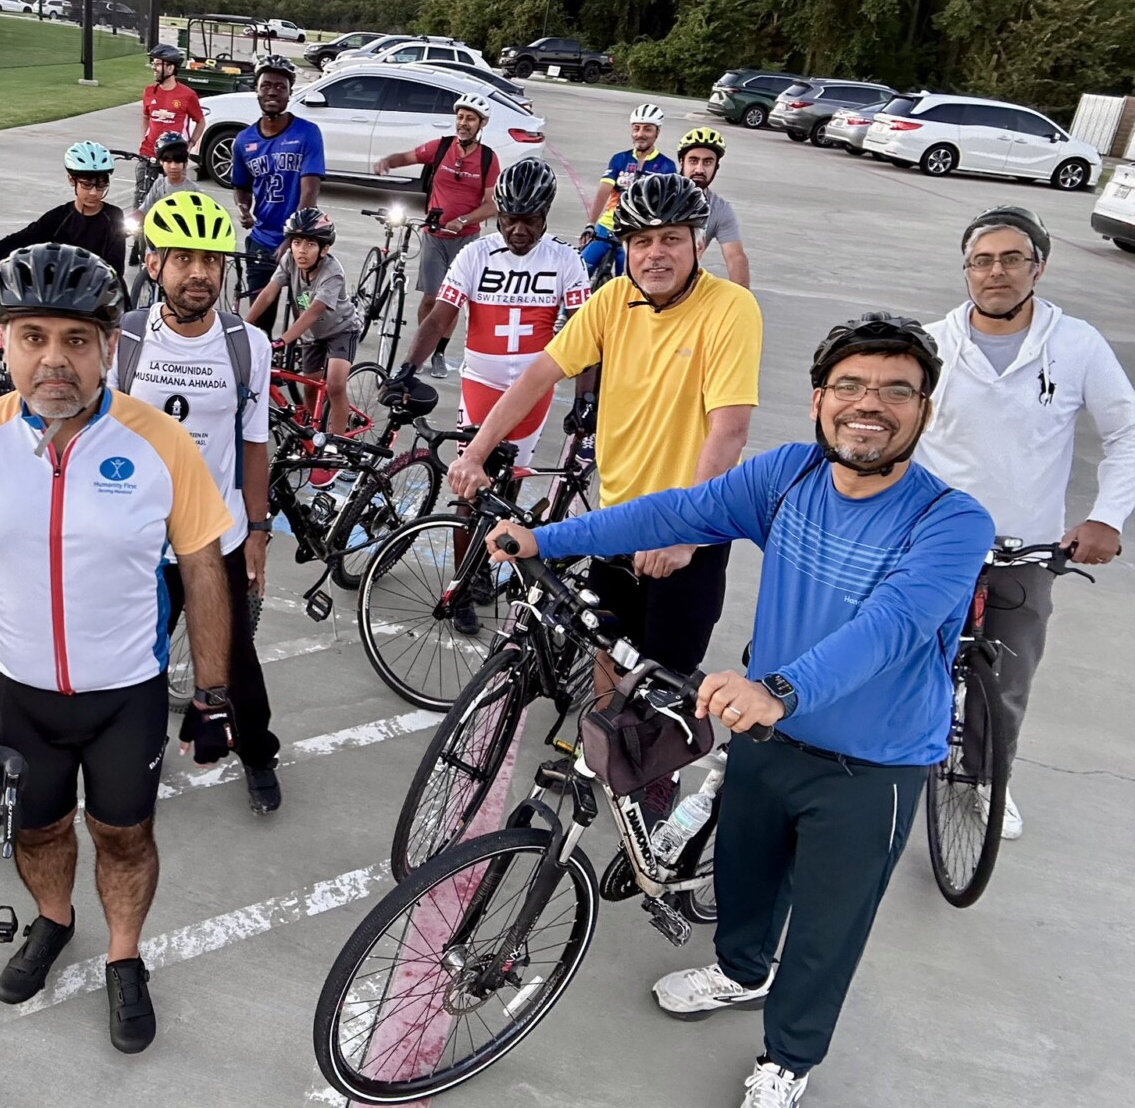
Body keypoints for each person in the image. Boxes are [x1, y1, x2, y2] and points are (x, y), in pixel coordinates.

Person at [491, 314, 993, 1108]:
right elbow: (674, 513)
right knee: (748, 877)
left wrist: (781, 688)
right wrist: (547, 539)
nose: (872, 404)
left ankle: (789, 1059)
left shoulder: (952, 522)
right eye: (851, 386)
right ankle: (738, 972)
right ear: (818, 400)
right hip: (769, 735)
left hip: (875, 764)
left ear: (925, 411)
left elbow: (893, 624)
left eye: (898, 391)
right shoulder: (789, 477)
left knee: (828, 930)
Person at [0, 243, 235, 1053]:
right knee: (37, 834)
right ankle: (52, 920)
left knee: (125, 836)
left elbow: (204, 569)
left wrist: (214, 697)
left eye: (77, 340)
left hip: (127, 695)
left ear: (110, 347)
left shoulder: (160, 444)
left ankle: (123, 955)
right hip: (20, 696)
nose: (55, 360)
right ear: (2, 340)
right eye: (33, 336)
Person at [449, 172, 759, 714]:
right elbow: (538, 375)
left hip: (691, 525)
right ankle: (598, 747)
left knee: (664, 679)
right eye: (641, 241)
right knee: (606, 646)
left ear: (697, 243)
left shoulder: (730, 308)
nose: (655, 254)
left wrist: (684, 532)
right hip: (617, 516)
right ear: (624, 248)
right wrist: (475, 451)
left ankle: (647, 778)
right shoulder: (613, 298)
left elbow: (729, 426)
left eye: (670, 239)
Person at [916, 205, 1135, 839]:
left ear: (1039, 266)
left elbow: (1124, 432)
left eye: (1013, 258)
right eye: (982, 260)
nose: (997, 272)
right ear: (966, 271)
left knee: (1005, 679)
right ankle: (892, 766)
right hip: (934, 544)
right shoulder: (933, 343)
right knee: (905, 662)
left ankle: (989, 781)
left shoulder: (1075, 344)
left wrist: (1105, 517)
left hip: (1027, 549)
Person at [116, 191, 282, 811]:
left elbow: (254, 444)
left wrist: (260, 530)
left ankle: (259, 754)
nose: (199, 273)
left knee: (237, 659)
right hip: (138, 537)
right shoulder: (124, 342)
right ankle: (140, 756)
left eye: (211, 261)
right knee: (139, 658)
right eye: (183, 258)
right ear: (154, 263)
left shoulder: (248, 347)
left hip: (217, 536)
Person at [383, 157, 588, 630]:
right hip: (481, 384)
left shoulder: (564, 259)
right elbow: (440, 317)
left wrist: (585, 399)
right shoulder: (475, 255)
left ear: (546, 215)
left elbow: (583, 335)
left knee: (509, 487)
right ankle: (460, 589)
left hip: (534, 393)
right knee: (469, 486)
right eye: (509, 218)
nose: (518, 229)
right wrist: (408, 367)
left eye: (530, 220)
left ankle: (483, 567)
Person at [372, 92, 502, 378]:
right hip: (433, 236)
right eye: (460, 117)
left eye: (470, 118)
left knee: (451, 300)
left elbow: (492, 203)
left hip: (465, 239)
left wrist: (464, 220)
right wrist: (387, 162)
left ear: (482, 123)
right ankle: (422, 349)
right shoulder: (441, 148)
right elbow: (408, 156)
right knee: (431, 297)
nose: (463, 123)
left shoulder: (487, 159)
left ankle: (440, 352)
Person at [244, 208, 359, 488]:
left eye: (310, 244)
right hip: (312, 335)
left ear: (325, 248)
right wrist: (244, 327)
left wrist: (283, 339)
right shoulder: (289, 261)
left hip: (341, 330)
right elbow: (270, 292)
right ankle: (311, 433)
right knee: (310, 386)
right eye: (296, 242)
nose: (301, 250)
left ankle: (337, 445)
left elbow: (315, 310)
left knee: (334, 386)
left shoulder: (333, 272)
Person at [232, 56, 325, 318]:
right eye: (266, 85)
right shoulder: (243, 140)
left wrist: (293, 239)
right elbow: (241, 185)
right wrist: (243, 208)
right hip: (261, 242)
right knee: (260, 318)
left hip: (303, 242)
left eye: (280, 87)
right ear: (257, 90)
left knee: (304, 318)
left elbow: (310, 192)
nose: (273, 91)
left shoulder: (307, 133)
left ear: (289, 93)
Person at [0, 141, 126, 278]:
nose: (94, 193)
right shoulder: (60, 217)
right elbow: (18, 240)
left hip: (102, 291)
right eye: (86, 185)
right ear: (71, 180)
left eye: (101, 186)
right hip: (63, 291)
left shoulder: (113, 216)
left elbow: (116, 265)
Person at [581, 103, 676, 280]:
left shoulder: (666, 166)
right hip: (607, 227)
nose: (640, 134)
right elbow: (604, 191)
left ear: (657, 133)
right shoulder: (620, 159)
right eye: (636, 128)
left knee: (628, 283)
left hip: (637, 233)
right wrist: (590, 224)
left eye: (647, 129)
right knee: (577, 272)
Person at [677, 127, 750, 288]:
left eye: (708, 162)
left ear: (716, 167)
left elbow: (735, 257)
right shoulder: (656, 195)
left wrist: (743, 304)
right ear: (682, 162)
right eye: (693, 160)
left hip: (685, 287)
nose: (700, 169)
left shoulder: (720, 209)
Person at [139, 44, 204, 200]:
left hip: (174, 156)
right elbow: (146, 117)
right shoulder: (149, 91)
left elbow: (200, 121)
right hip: (149, 153)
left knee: (175, 198)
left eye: (157, 64)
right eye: (153, 63)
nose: (153, 68)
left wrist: (190, 144)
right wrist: (145, 138)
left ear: (170, 68)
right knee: (142, 197)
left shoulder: (187, 95)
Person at [134, 131, 201, 223]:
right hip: (160, 232)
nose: (173, 166)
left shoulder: (192, 188)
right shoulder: (159, 184)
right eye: (168, 161)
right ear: (161, 162)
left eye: (178, 162)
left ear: (184, 163)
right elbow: (144, 209)